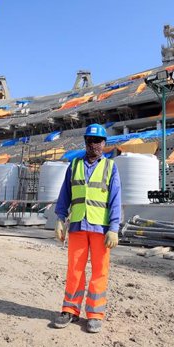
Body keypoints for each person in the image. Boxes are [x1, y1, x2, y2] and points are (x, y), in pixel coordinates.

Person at [53, 124, 122, 333]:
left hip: (101, 229)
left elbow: (116, 198)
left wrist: (114, 227)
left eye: (98, 141)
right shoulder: (73, 165)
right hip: (77, 226)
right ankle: (70, 310)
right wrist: (59, 219)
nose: (94, 145)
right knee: (74, 269)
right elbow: (65, 194)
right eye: (90, 141)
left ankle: (94, 314)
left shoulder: (111, 167)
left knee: (100, 271)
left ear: (104, 144)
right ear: (85, 142)